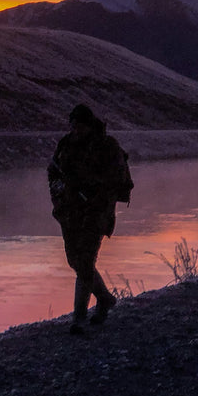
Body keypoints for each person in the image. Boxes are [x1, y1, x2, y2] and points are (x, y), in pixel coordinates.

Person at [48, 104, 131, 335]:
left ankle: (79, 318)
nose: (76, 130)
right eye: (73, 125)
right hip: (69, 212)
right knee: (75, 261)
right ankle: (105, 299)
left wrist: (93, 191)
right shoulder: (66, 145)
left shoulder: (107, 146)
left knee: (85, 261)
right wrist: (59, 192)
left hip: (96, 212)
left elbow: (117, 179)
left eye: (79, 125)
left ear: (89, 124)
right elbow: (53, 171)